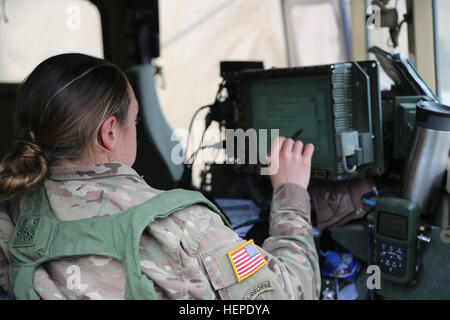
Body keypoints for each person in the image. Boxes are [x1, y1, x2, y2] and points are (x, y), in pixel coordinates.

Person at [0, 53, 320, 300]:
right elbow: (291, 290)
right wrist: (290, 193)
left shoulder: (11, 210)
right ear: (110, 132)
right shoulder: (185, 225)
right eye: (135, 121)